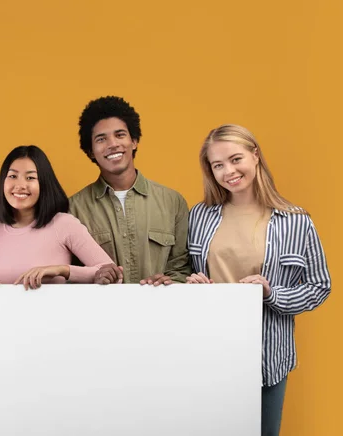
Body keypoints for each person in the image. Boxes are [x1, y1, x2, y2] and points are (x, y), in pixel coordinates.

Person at [186, 124, 331, 435]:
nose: (229, 171)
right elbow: (184, 270)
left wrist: (272, 293)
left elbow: (320, 286)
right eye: (218, 165)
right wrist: (192, 284)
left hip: (267, 355)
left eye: (235, 159)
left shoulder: (295, 220)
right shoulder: (199, 216)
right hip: (209, 351)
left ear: (255, 155)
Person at [69, 96, 191, 285]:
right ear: (91, 151)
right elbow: (67, 276)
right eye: (101, 139)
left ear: (134, 141)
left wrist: (168, 281)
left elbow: (182, 269)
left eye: (120, 135)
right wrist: (93, 278)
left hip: (162, 312)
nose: (112, 144)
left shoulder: (172, 202)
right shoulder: (73, 209)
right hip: (100, 313)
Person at [0, 145, 114, 290]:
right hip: (3, 312)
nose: (20, 185)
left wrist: (61, 270)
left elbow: (110, 272)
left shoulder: (63, 224)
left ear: (44, 183)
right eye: (13, 176)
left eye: (30, 178)